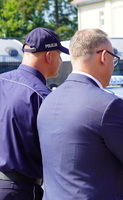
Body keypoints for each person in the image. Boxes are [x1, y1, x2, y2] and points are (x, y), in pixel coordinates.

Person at [36, 28, 123, 200]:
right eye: (114, 59)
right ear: (104, 57)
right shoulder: (107, 104)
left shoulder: (48, 100)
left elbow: (82, 148)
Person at [0, 27, 69, 199]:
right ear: (49, 56)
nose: (61, 60)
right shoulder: (43, 96)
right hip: (19, 190)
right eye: (59, 55)